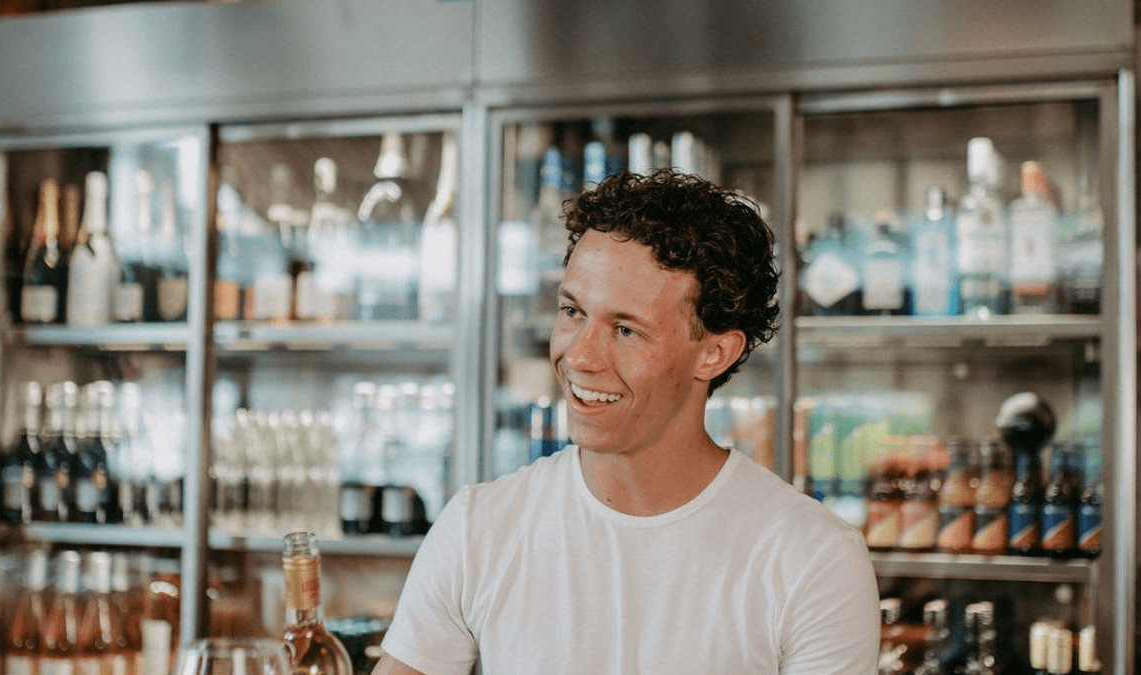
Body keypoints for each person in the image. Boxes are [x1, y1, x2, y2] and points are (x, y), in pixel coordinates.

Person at [374, 170, 880, 674]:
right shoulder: (478, 530)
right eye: (572, 311)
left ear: (714, 353)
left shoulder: (813, 560)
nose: (579, 356)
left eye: (625, 329)